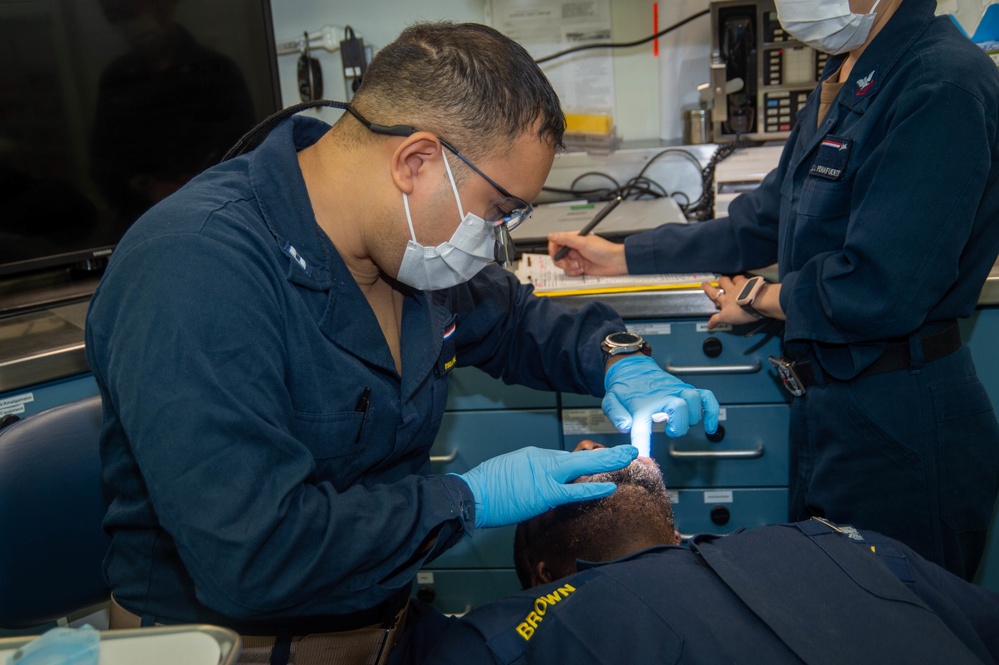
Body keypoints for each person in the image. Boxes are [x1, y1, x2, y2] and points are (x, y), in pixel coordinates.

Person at [83, 21, 720, 665]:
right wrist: (467, 501)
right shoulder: (194, 269)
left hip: (381, 620)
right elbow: (255, 554)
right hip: (237, 644)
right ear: (415, 162)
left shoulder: (405, 247)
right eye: (499, 209)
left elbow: (514, 317)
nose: (497, 237)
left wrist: (618, 357)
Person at [548, 0, 999, 580]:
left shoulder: (942, 84)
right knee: (826, 617)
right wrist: (624, 255)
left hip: (902, 422)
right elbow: (761, 220)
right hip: (829, 412)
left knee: (898, 628)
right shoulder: (848, 74)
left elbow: (879, 284)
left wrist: (761, 297)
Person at [418, 443, 999, 664]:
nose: (590, 447)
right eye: (560, 475)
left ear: (677, 535)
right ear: (543, 575)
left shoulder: (836, 540)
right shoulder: (522, 629)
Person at [91, 0, 256, 235]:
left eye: (130, 13)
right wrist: (148, 187)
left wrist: (188, 188)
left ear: (163, 6)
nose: (126, 25)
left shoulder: (219, 72)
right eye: (116, 17)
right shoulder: (115, 79)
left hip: (213, 225)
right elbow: (102, 167)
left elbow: (248, 156)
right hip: (135, 230)